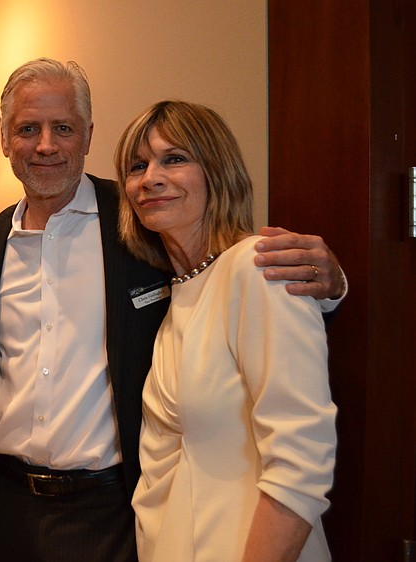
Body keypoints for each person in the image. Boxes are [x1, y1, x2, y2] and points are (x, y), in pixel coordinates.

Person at [0, 58, 345, 562]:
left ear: (87, 135)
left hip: (111, 511)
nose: (46, 145)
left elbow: (258, 301)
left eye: (63, 128)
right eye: (28, 129)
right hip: (8, 507)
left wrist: (330, 285)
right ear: (5, 140)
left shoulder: (134, 223)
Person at [116, 100, 336, 560]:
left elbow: (300, 463)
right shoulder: (179, 291)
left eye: (174, 158)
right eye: (138, 165)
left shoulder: (257, 269)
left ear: (217, 170)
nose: (150, 177)